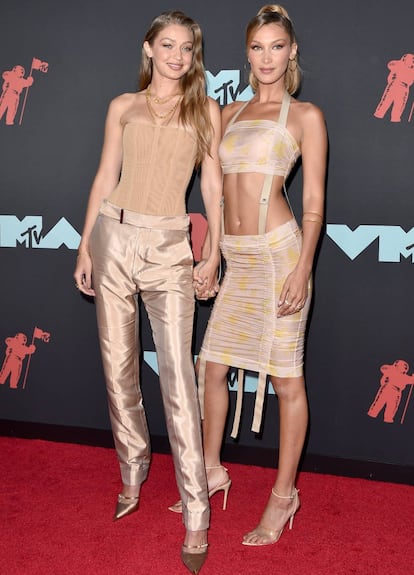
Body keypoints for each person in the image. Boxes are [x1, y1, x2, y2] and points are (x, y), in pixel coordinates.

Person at [172, 4, 327, 547]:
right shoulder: (226, 113)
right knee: (209, 366)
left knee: (287, 381)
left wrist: (303, 268)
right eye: (258, 47)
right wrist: (211, 252)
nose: (267, 57)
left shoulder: (305, 116)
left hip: (281, 255)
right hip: (236, 257)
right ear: (246, 53)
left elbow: (312, 204)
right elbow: (211, 195)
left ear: (292, 51)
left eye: (277, 46)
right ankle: (211, 469)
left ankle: (284, 496)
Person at [73, 10, 222, 574]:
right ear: (149, 48)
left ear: (194, 54)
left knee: (179, 378)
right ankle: (132, 472)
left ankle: (196, 513)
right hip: (113, 233)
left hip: (168, 246)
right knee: (118, 368)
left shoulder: (206, 110)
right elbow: (105, 174)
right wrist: (86, 246)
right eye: (168, 45)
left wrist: (214, 251)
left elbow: (211, 186)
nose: (177, 56)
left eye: (187, 47)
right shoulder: (123, 106)